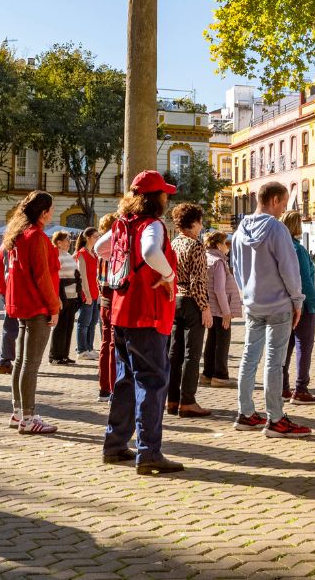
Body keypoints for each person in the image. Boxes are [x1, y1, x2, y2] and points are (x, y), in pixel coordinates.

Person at [96, 171, 183, 475]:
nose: (167, 197)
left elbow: (99, 249)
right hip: (147, 312)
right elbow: (149, 251)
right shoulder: (152, 225)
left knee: (125, 380)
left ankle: (115, 444)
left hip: (121, 311)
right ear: (155, 198)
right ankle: (149, 452)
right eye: (164, 193)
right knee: (152, 381)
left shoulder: (122, 224)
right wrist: (169, 275)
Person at [229, 182, 309, 438]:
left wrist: (247, 293)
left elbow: (237, 266)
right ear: (274, 200)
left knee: (249, 357)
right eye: (284, 203)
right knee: (275, 361)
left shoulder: (241, 228)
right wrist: (297, 299)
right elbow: (289, 267)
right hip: (278, 304)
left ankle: (245, 412)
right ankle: (275, 418)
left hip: (253, 302)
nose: (284, 208)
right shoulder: (277, 228)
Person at [2, 191, 61, 435]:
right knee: (30, 363)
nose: (52, 213)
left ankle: (18, 412)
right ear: (43, 212)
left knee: (21, 362)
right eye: (51, 209)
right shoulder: (35, 236)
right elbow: (42, 276)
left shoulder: (18, 235)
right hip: (37, 305)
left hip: (23, 304)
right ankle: (28, 417)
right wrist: (54, 306)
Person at [166, 203, 213, 418]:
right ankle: (188, 401)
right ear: (192, 223)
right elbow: (198, 282)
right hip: (192, 302)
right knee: (191, 355)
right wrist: (205, 307)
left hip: (174, 300)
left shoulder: (174, 244)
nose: (201, 226)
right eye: (200, 222)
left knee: (174, 353)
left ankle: (172, 399)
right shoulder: (195, 246)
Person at [279, 210, 315, 405]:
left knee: (285, 348)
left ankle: (282, 387)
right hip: (302, 306)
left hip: (282, 305)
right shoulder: (297, 249)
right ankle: (301, 388)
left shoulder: (279, 247)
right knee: (303, 347)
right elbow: (305, 281)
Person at [200, 232, 238, 388]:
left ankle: (207, 374)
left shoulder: (205, 258)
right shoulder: (218, 262)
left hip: (209, 307)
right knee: (222, 341)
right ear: (217, 245)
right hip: (219, 308)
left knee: (211, 340)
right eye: (224, 243)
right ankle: (220, 375)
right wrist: (227, 312)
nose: (226, 247)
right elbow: (219, 289)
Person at [48, 231, 82, 366]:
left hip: (72, 295)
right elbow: (55, 277)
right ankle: (55, 356)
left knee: (68, 327)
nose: (69, 242)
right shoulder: (56, 256)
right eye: (66, 240)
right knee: (60, 327)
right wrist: (57, 297)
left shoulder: (68, 255)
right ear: (59, 242)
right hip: (62, 295)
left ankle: (64, 355)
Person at [95, 212, 118, 401]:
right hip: (112, 294)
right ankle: (111, 387)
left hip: (103, 295)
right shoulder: (110, 249)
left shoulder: (100, 252)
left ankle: (104, 387)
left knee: (105, 341)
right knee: (112, 343)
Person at [75, 228, 100, 358]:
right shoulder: (82, 253)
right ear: (88, 237)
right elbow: (82, 277)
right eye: (96, 236)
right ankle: (82, 350)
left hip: (95, 292)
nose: (98, 239)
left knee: (93, 321)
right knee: (84, 322)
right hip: (87, 293)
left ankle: (89, 347)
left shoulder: (94, 253)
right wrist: (87, 294)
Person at [0, 244, 17, 376]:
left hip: (6, 289)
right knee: (11, 327)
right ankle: (4, 361)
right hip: (10, 290)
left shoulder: (4, 246)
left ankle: (1, 360)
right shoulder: (9, 247)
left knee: (9, 327)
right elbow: (9, 271)